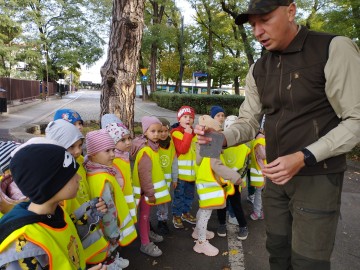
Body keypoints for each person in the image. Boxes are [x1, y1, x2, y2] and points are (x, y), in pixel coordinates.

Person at [195, 0, 360, 268]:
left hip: (317, 177)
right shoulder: (258, 68)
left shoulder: (332, 48)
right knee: (277, 251)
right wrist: (219, 138)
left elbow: (355, 120)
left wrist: (304, 156)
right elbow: (248, 121)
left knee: (309, 262)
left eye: (265, 20)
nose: (258, 31)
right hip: (275, 179)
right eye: (252, 25)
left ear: (291, 10)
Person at [0, 144, 106, 270]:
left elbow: (65, 239)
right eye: (72, 174)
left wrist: (90, 214)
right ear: (50, 184)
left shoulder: (55, 211)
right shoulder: (24, 247)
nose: (79, 177)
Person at [45, 119, 114, 266]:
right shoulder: (56, 176)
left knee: (90, 246)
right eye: (71, 146)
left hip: (87, 214)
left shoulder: (80, 162)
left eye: (80, 145)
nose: (77, 151)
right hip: (72, 220)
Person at [85, 130, 136, 269]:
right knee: (109, 250)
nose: (113, 154)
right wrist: (113, 233)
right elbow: (109, 210)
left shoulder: (93, 170)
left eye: (113, 149)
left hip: (101, 227)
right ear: (93, 154)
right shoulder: (103, 178)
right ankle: (112, 265)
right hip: (108, 228)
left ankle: (113, 261)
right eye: (107, 151)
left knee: (108, 251)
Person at [192, 115, 242, 256]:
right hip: (209, 186)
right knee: (205, 214)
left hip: (203, 183)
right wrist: (236, 178)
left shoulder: (201, 144)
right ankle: (201, 243)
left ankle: (197, 231)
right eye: (220, 132)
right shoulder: (211, 148)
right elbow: (218, 166)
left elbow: (198, 161)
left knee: (202, 210)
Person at [132, 116, 171, 257]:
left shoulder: (153, 147)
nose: (157, 134)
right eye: (153, 131)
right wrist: (150, 194)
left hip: (146, 192)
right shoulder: (146, 151)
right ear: (145, 132)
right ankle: (145, 243)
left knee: (145, 216)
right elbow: (145, 175)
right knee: (144, 216)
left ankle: (147, 234)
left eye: (159, 131)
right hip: (145, 193)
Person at [218, 115, 250, 240]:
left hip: (235, 182)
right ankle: (221, 224)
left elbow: (245, 166)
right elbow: (215, 162)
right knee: (222, 203)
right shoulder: (220, 146)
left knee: (236, 204)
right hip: (222, 181)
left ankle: (243, 226)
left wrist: (236, 178)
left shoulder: (244, 149)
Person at [171, 106, 197, 229]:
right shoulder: (176, 132)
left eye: (191, 117)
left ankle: (185, 213)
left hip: (192, 174)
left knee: (189, 196)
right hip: (181, 174)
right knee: (179, 196)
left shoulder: (195, 133)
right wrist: (187, 133)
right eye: (185, 117)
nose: (188, 119)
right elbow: (182, 149)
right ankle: (176, 215)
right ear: (179, 119)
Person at [104, 122, 137, 223]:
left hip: (127, 195)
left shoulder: (124, 155)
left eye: (129, 138)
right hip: (120, 200)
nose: (128, 142)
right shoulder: (114, 160)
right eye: (122, 140)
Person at [156, 117, 178, 235]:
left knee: (164, 202)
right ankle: (147, 223)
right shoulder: (153, 145)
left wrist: (175, 178)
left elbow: (174, 163)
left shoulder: (171, 144)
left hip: (166, 181)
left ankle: (162, 221)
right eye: (160, 131)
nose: (163, 134)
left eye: (166, 131)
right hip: (154, 180)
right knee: (151, 202)